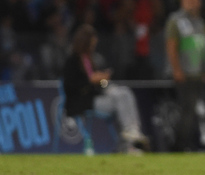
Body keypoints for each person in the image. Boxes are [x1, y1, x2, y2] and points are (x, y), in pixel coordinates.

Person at [62, 24, 148, 154]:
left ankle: (132, 131)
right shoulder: (72, 60)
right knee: (120, 99)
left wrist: (102, 80)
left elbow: (98, 85)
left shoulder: (90, 60)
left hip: (95, 97)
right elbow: (70, 86)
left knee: (124, 92)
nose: (93, 46)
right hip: (82, 102)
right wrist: (91, 80)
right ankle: (129, 140)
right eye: (91, 44)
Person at [165, 0, 205, 151]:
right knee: (186, 111)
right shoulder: (176, 21)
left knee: (193, 112)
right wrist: (176, 69)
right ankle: (179, 146)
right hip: (184, 73)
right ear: (182, 1)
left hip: (198, 73)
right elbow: (171, 46)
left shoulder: (200, 22)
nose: (194, 3)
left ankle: (190, 144)